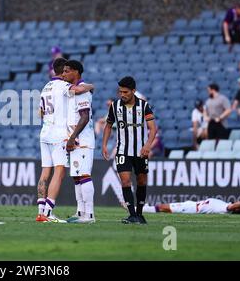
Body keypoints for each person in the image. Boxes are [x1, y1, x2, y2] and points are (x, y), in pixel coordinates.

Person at [36, 58, 93, 223]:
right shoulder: (64, 86)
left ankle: (40, 210)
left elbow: (40, 112)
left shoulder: (45, 87)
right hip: (57, 134)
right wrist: (91, 86)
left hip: (44, 133)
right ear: (63, 72)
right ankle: (48, 213)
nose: (67, 73)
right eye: (66, 71)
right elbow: (80, 89)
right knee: (59, 173)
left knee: (45, 172)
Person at [102, 76, 157, 224]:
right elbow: (108, 126)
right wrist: (104, 145)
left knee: (141, 181)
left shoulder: (144, 106)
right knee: (125, 182)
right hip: (123, 151)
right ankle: (132, 215)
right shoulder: (115, 106)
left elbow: (153, 129)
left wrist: (148, 146)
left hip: (140, 151)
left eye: (125, 92)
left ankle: (139, 214)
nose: (122, 95)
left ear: (133, 91)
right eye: (120, 92)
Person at [62, 60, 96, 224]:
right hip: (74, 141)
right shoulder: (73, 91)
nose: (64, 74)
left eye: (67, 71)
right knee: (76, 177)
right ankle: (80, 211)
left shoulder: (82, 92)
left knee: (83, 175)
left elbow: (84, 117)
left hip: (82, 141)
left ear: (76, 72)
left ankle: (89, 215)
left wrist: (73, 137)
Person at [143, 198, 240, 215]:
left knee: (163, 207)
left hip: (192, 209)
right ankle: (145, 208)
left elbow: (232, 207)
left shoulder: (225, 209)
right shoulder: (224, 204)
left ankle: (142, 209)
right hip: (192, 204)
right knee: (164, 207)